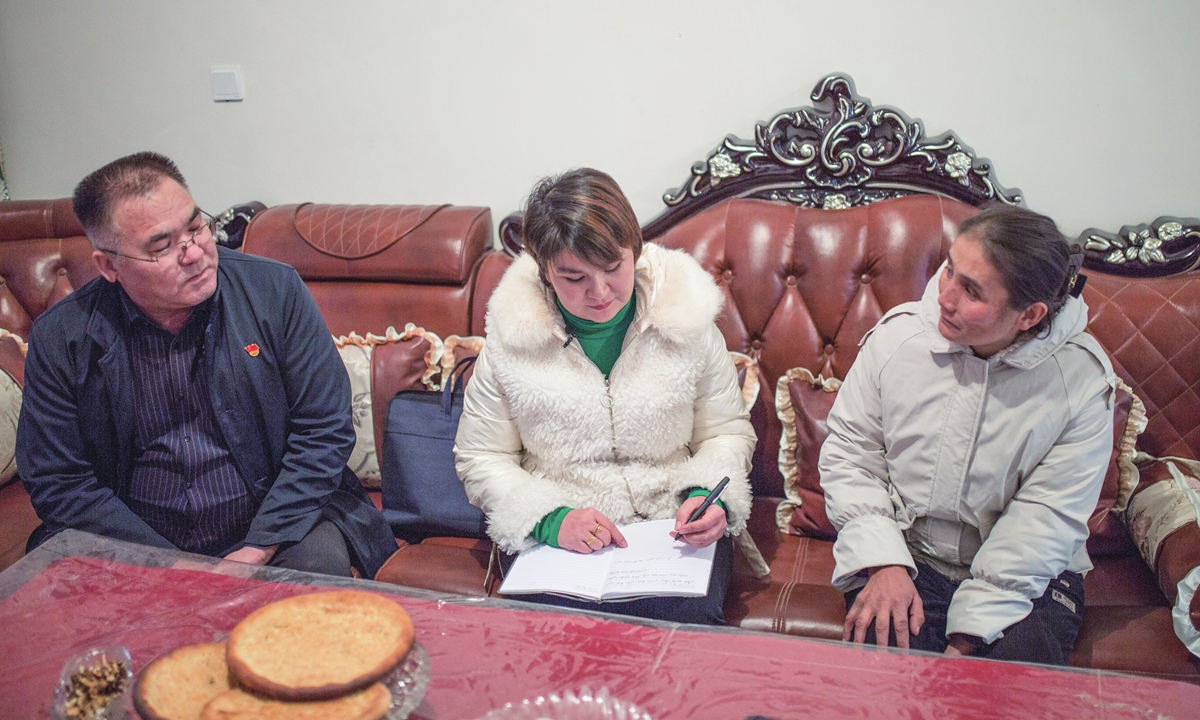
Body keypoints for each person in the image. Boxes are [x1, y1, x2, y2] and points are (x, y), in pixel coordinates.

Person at [16, 152, 396, 578]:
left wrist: (255, 550)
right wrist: (173, 564)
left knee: (316, 571)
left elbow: (324, 430)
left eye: (197, 227)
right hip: (131, 538)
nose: (195, 253)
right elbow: (59, 481)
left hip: (273, 525)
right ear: (108, 266)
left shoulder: (274, 291)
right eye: (162, 246)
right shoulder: (62, 337)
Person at [454, 168, 756, 625]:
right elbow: (481, 455)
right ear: (544, 270)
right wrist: (550, 520)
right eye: (573, 277)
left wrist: (705, 496)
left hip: (671, 526)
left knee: (680, 644)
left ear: (635, 250)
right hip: (560, 537)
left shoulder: (686, 318)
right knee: (552, 650)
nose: (599, 293)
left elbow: (726, 433)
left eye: (614, 269)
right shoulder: (511, 338)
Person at [820, 204, 1115, 664]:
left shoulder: (1080, 381)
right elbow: (851, 454)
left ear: (1029, 314)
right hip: (904, 554)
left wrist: (969, 639)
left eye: (971, 290)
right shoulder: (897, 341)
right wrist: (883, 561)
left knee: (997, 692)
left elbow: (1046, 519)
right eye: (949, 270)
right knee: (890, 684)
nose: (945, 296)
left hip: (1030, 580)